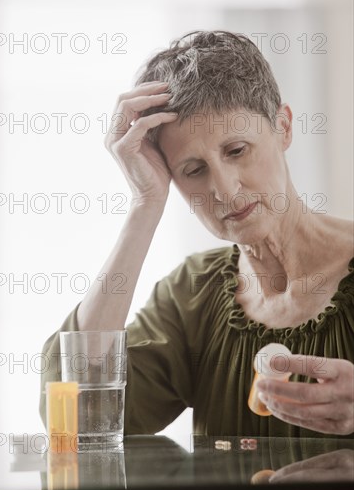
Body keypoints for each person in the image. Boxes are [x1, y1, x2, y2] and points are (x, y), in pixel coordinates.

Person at [40, 31, 354, 438]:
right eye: (193, 170)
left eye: (236, 150)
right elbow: (77, 417)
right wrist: (144, 204)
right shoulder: (193, 292)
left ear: (283, 127)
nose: (224, 190)